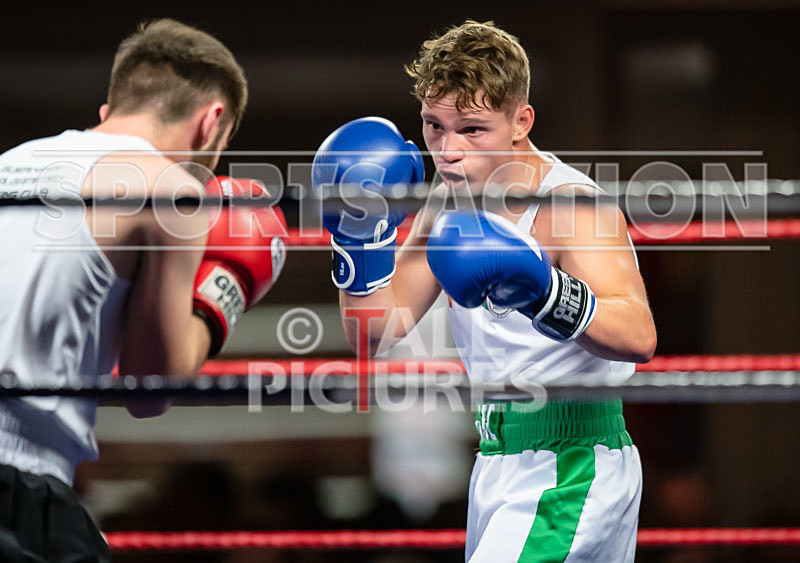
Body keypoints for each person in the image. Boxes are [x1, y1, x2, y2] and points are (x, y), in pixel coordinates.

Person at [313, 20, 656, 562]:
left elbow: (638, 335)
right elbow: (373, 331)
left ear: (521, 121)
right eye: (434, 127)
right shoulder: (445, 204)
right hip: (496, 456)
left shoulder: (570, 206)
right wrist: (357, 239)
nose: (448, 150)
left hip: (573, 458)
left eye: (472, 130)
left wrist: (544, 292)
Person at [0, 19, 286, 562]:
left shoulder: (8, 162)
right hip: (19, 486)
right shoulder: (170, 188)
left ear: (110, 111)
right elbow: (148, 389)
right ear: (211, 125)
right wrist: (225, 293)